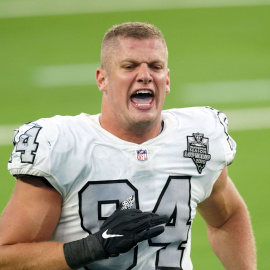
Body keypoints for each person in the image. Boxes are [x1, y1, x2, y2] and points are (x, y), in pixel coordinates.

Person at [0, 22, 256, 270]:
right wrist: (93, 247)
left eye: (155, 67)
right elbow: (6, 257)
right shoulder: (61, 145)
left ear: (166, 80)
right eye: (129, 66)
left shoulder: (196, 137)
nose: (144, 76)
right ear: (103, 80)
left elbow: (227, 219)